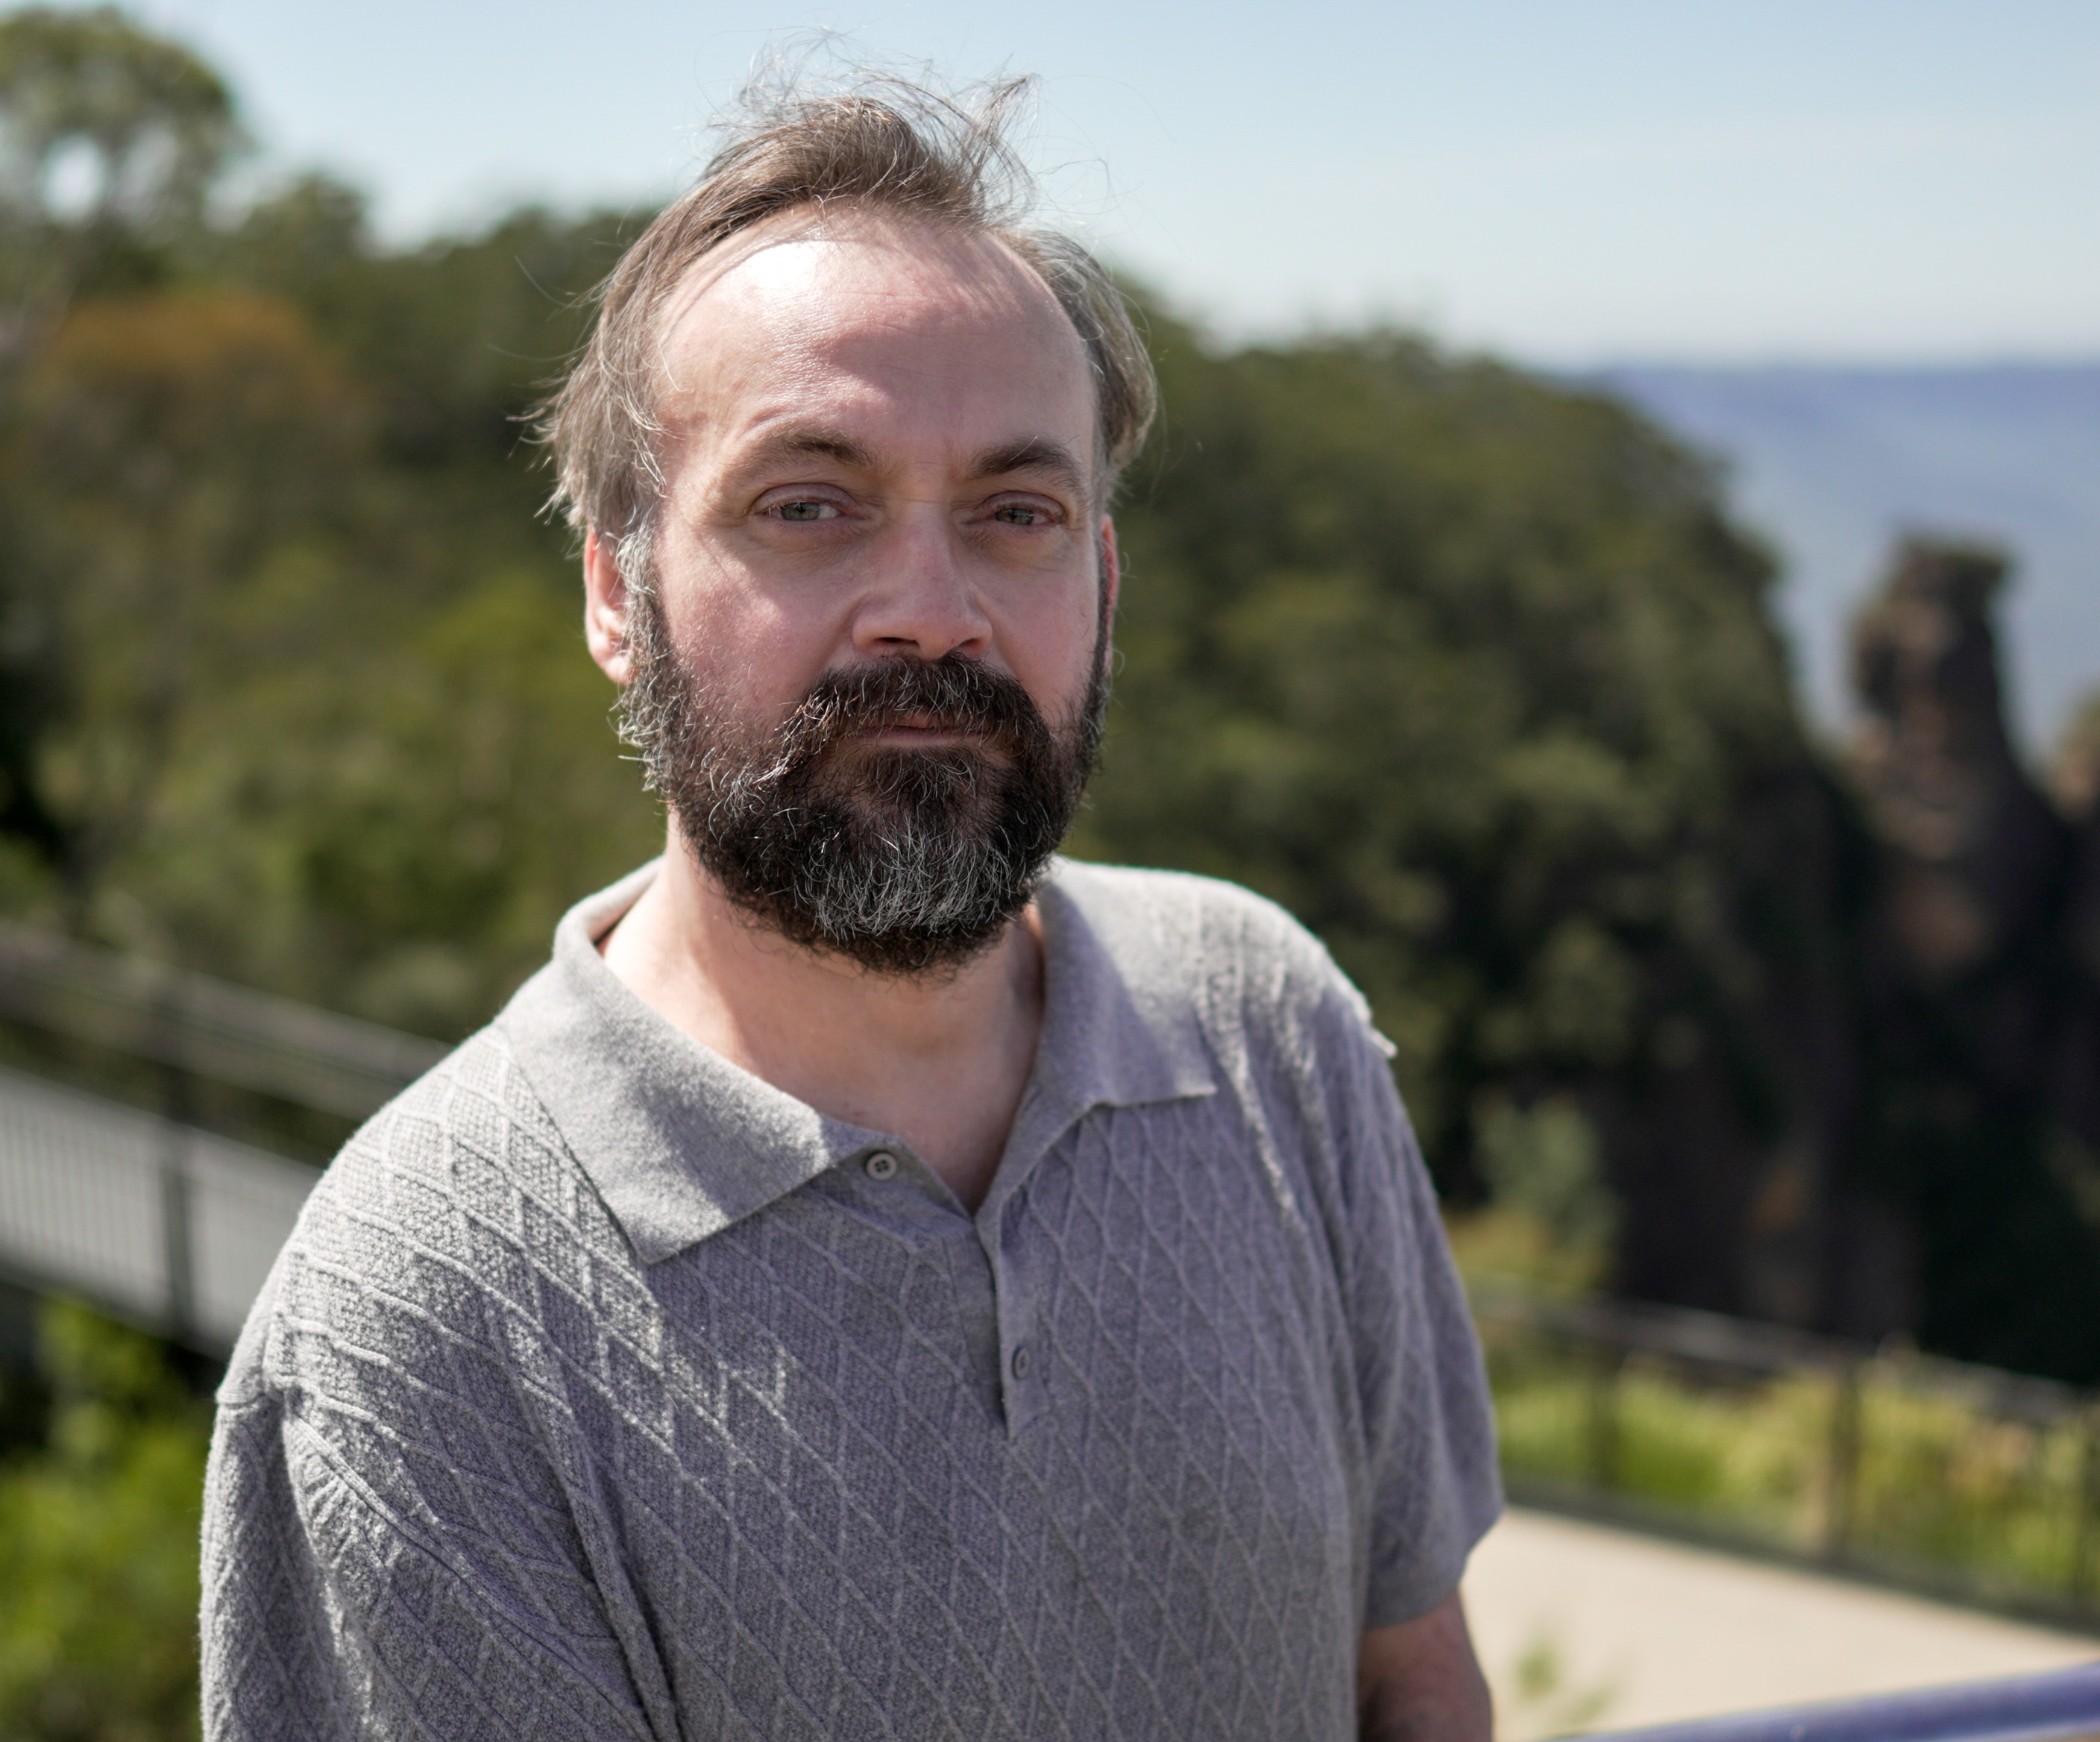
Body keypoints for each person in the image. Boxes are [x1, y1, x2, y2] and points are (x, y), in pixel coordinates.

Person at [200, 73, 1501, 1742]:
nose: (932, 612)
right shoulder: (419, 1322)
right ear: (618, 591)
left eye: (1017, 515)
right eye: (807, 505)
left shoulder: (1268, 1032)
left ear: (1103, 586)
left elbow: (1414, 1680)